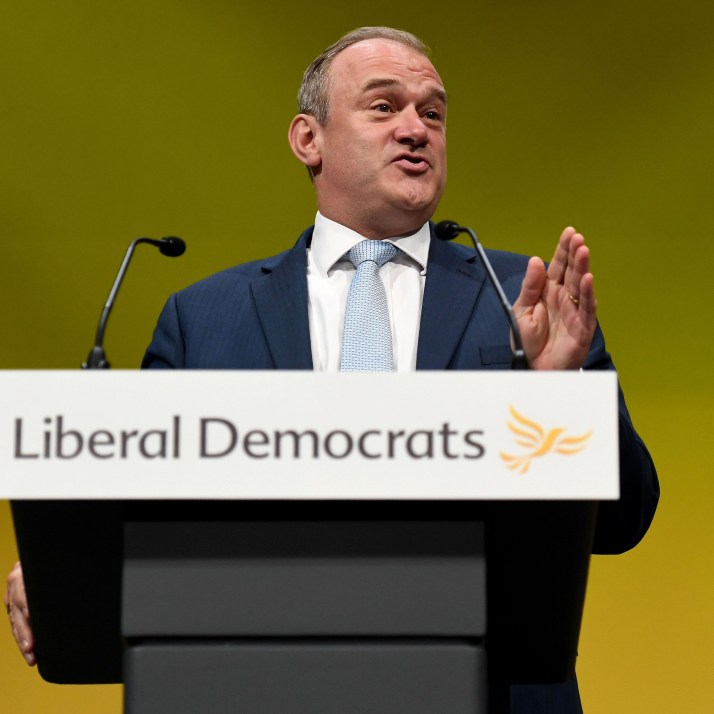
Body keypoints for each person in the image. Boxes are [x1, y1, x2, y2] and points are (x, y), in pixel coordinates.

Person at [6, 26, 658, 713]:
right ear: (307, 139)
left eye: (433, 114)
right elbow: (136, 511)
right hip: (259, 688)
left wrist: (559, 398)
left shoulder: (522, 297)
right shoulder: (204, 318)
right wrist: (58, 572)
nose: (416, 129)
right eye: (384, 106)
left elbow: (624, 521)